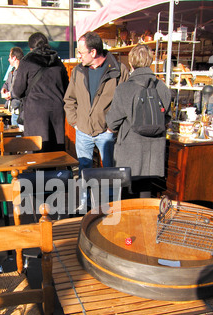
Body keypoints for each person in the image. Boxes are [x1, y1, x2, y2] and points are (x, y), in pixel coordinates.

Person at [106, 44, 172, 197]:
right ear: (150, 62)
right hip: (154, 152)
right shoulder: (162, 87)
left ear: (130, 63)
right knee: (147, 196)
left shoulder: (124, 89)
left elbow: (112, 121)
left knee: (128, 199)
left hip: (129, 152)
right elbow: (167, 117)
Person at [64, 31, 129, 179]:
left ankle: (111, 202)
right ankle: (85, 201)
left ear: (93, 52)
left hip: (107, 133)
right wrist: (75, 122)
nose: (79, 56)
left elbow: (125, 103)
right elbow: (69, 99)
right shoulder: (78, 71)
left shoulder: (119, 71)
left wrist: (112, 128)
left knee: (110, 173)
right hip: (83, 131)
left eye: (81, 52)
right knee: (84, 172)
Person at [11, 32, 69, 152]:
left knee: (38, 152)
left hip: (35, 114)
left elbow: (17, 91)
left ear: (31, 48)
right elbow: (66, 89)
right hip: (56, 112)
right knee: (55, 151)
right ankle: (54, 171)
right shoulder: (58, 62)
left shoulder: (27, 62)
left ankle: (40, 172)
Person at [1, 46, 24, 127]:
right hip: (14, 110)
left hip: (21, 110)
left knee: (22, 137)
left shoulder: (23, 72)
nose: (8, 59)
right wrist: (4, 89)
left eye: (9, 57)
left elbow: (22, 89)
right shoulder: (12, 71)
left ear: (14, 58)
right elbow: (7, 83)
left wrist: (11, 94)